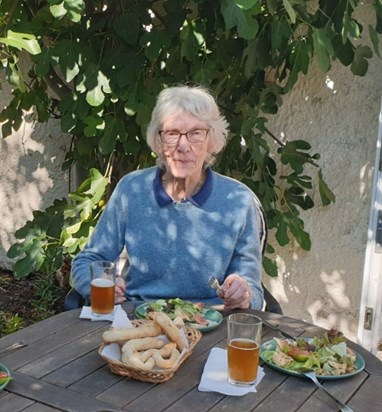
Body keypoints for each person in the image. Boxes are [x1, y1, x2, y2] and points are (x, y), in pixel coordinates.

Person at [71, 85, 264, 310]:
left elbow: (254, 291)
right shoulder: (132, 190)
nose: (183, 146)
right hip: (139, 320)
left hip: (211, 322)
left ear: (211, 142)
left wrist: (243, 292)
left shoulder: (238, 200)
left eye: (196, 134)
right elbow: (88, 261)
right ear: (159, 142)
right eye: (172, 133)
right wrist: (98, 285)